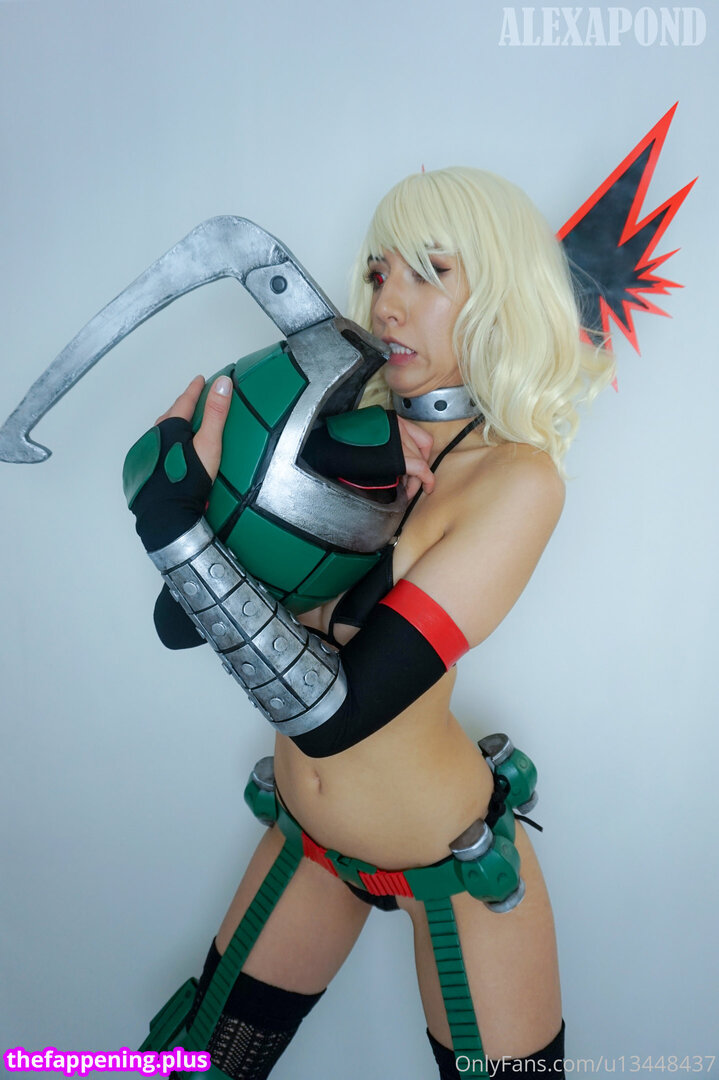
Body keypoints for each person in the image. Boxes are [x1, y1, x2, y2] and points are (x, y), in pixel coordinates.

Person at [127, 166, 613, 1078]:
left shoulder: (517, 481)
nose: (388, 302)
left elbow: (343, 713)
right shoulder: (345, 432)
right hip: (305, 845)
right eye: (380, 272)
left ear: (499, 293)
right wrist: (199, 498)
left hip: (456, 866)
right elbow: (180, 622)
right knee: (192, 1067)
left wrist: (180, 535)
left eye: (431, 272)